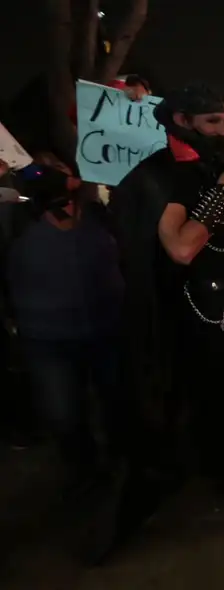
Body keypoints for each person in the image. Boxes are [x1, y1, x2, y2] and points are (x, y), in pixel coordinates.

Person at [110, 85, 224, 511]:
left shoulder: (219, 165)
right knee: (223, 393)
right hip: (203, 311)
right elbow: (180, 248)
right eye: (212, 122)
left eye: (223, 122)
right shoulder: (162, 176)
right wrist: (223, 192)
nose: (222, 131)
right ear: (182, 121)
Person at [5, 156, 124, 488]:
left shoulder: (99, 214)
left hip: (106, 327)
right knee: (64, 415)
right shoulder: (16, 219)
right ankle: (85, 474)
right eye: (42, 167)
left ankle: (123, 468)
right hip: (47, 338)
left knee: (117, 404)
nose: (52, 172)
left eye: (57, 165)